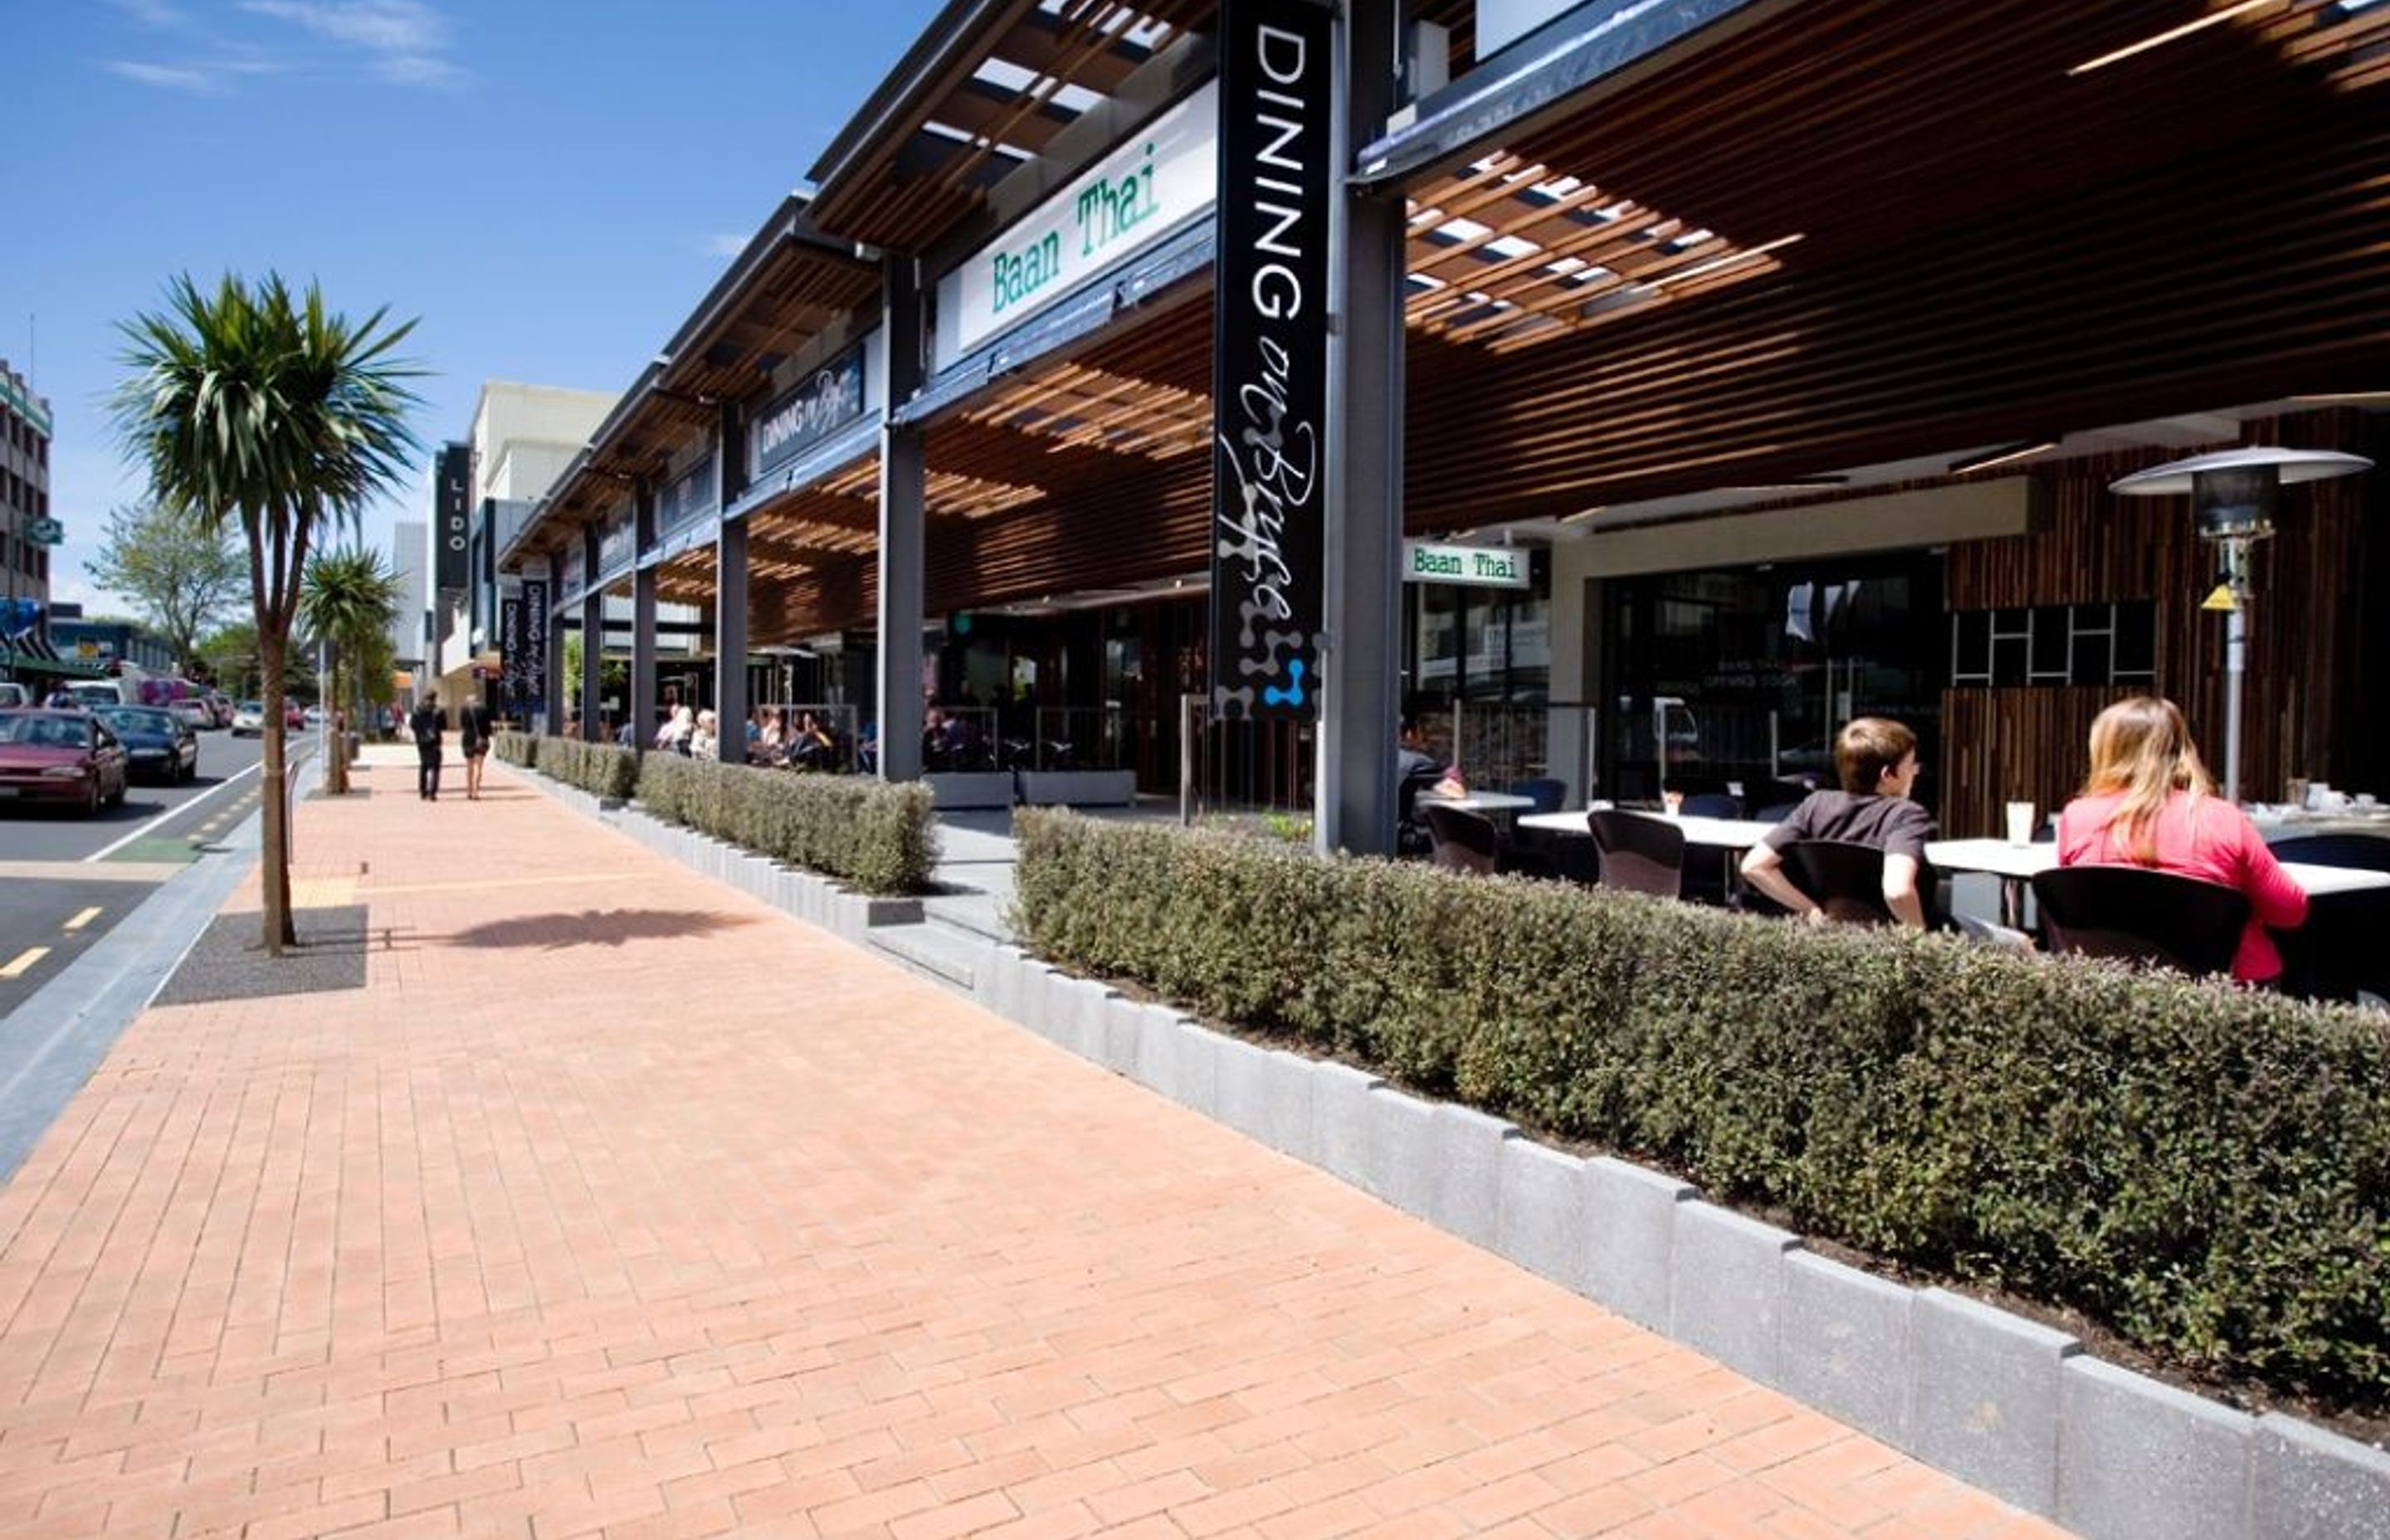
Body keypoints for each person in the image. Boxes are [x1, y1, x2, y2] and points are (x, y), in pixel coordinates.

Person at [2056, 695, 2306, 985]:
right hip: (2226, 995)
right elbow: (2290, 911)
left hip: (2112, 989)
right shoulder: (2222, 818)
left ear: (2105, 753)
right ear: (2183, 751)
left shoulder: (2078, 818)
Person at [1741, 716, 1937, 928]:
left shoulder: (1816, 805)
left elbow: (1754, 866)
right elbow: (1898, 891)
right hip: (1889, 946)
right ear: (1887, 774)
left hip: (1835, 939)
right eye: (1910, 765)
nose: (1915, 772)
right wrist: (1920, 940)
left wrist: (1811, 910)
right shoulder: (1905, 815)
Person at [408, 691, 447, 802]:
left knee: (423, 766)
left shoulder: (417, 710)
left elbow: (412, 725)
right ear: (435, 699)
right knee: (435, 767)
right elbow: (444, 727)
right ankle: (432, 793)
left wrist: (420, 732)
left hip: (421, 742)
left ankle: (423, 791)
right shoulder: (439, 711)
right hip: (435, 742)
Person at [457, 692, 495, 801]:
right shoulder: (485, 709)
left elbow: (462, 725)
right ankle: (476, 792)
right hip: (482, 739)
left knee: (469, 767)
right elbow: (488, 727)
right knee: (479, 767)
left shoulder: (464, 710)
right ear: (478, 700)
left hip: (468, 739)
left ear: (468, 701)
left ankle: (469, 791)